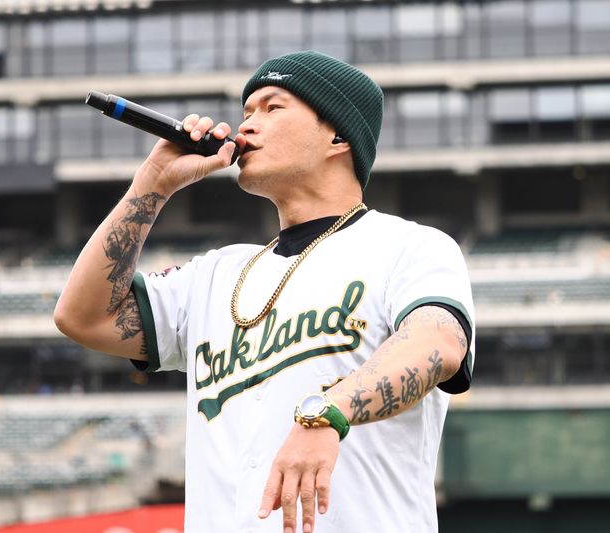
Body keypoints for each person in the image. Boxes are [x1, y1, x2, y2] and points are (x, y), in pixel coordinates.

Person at [55, 51, 475, 533]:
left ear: (338, 135)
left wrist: (327, 413)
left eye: (272, 108)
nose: (247, 125)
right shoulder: (216, 274)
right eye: (247, 111)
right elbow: (82, 317)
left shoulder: (408, 246)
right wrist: (152, 185)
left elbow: (437, 344)